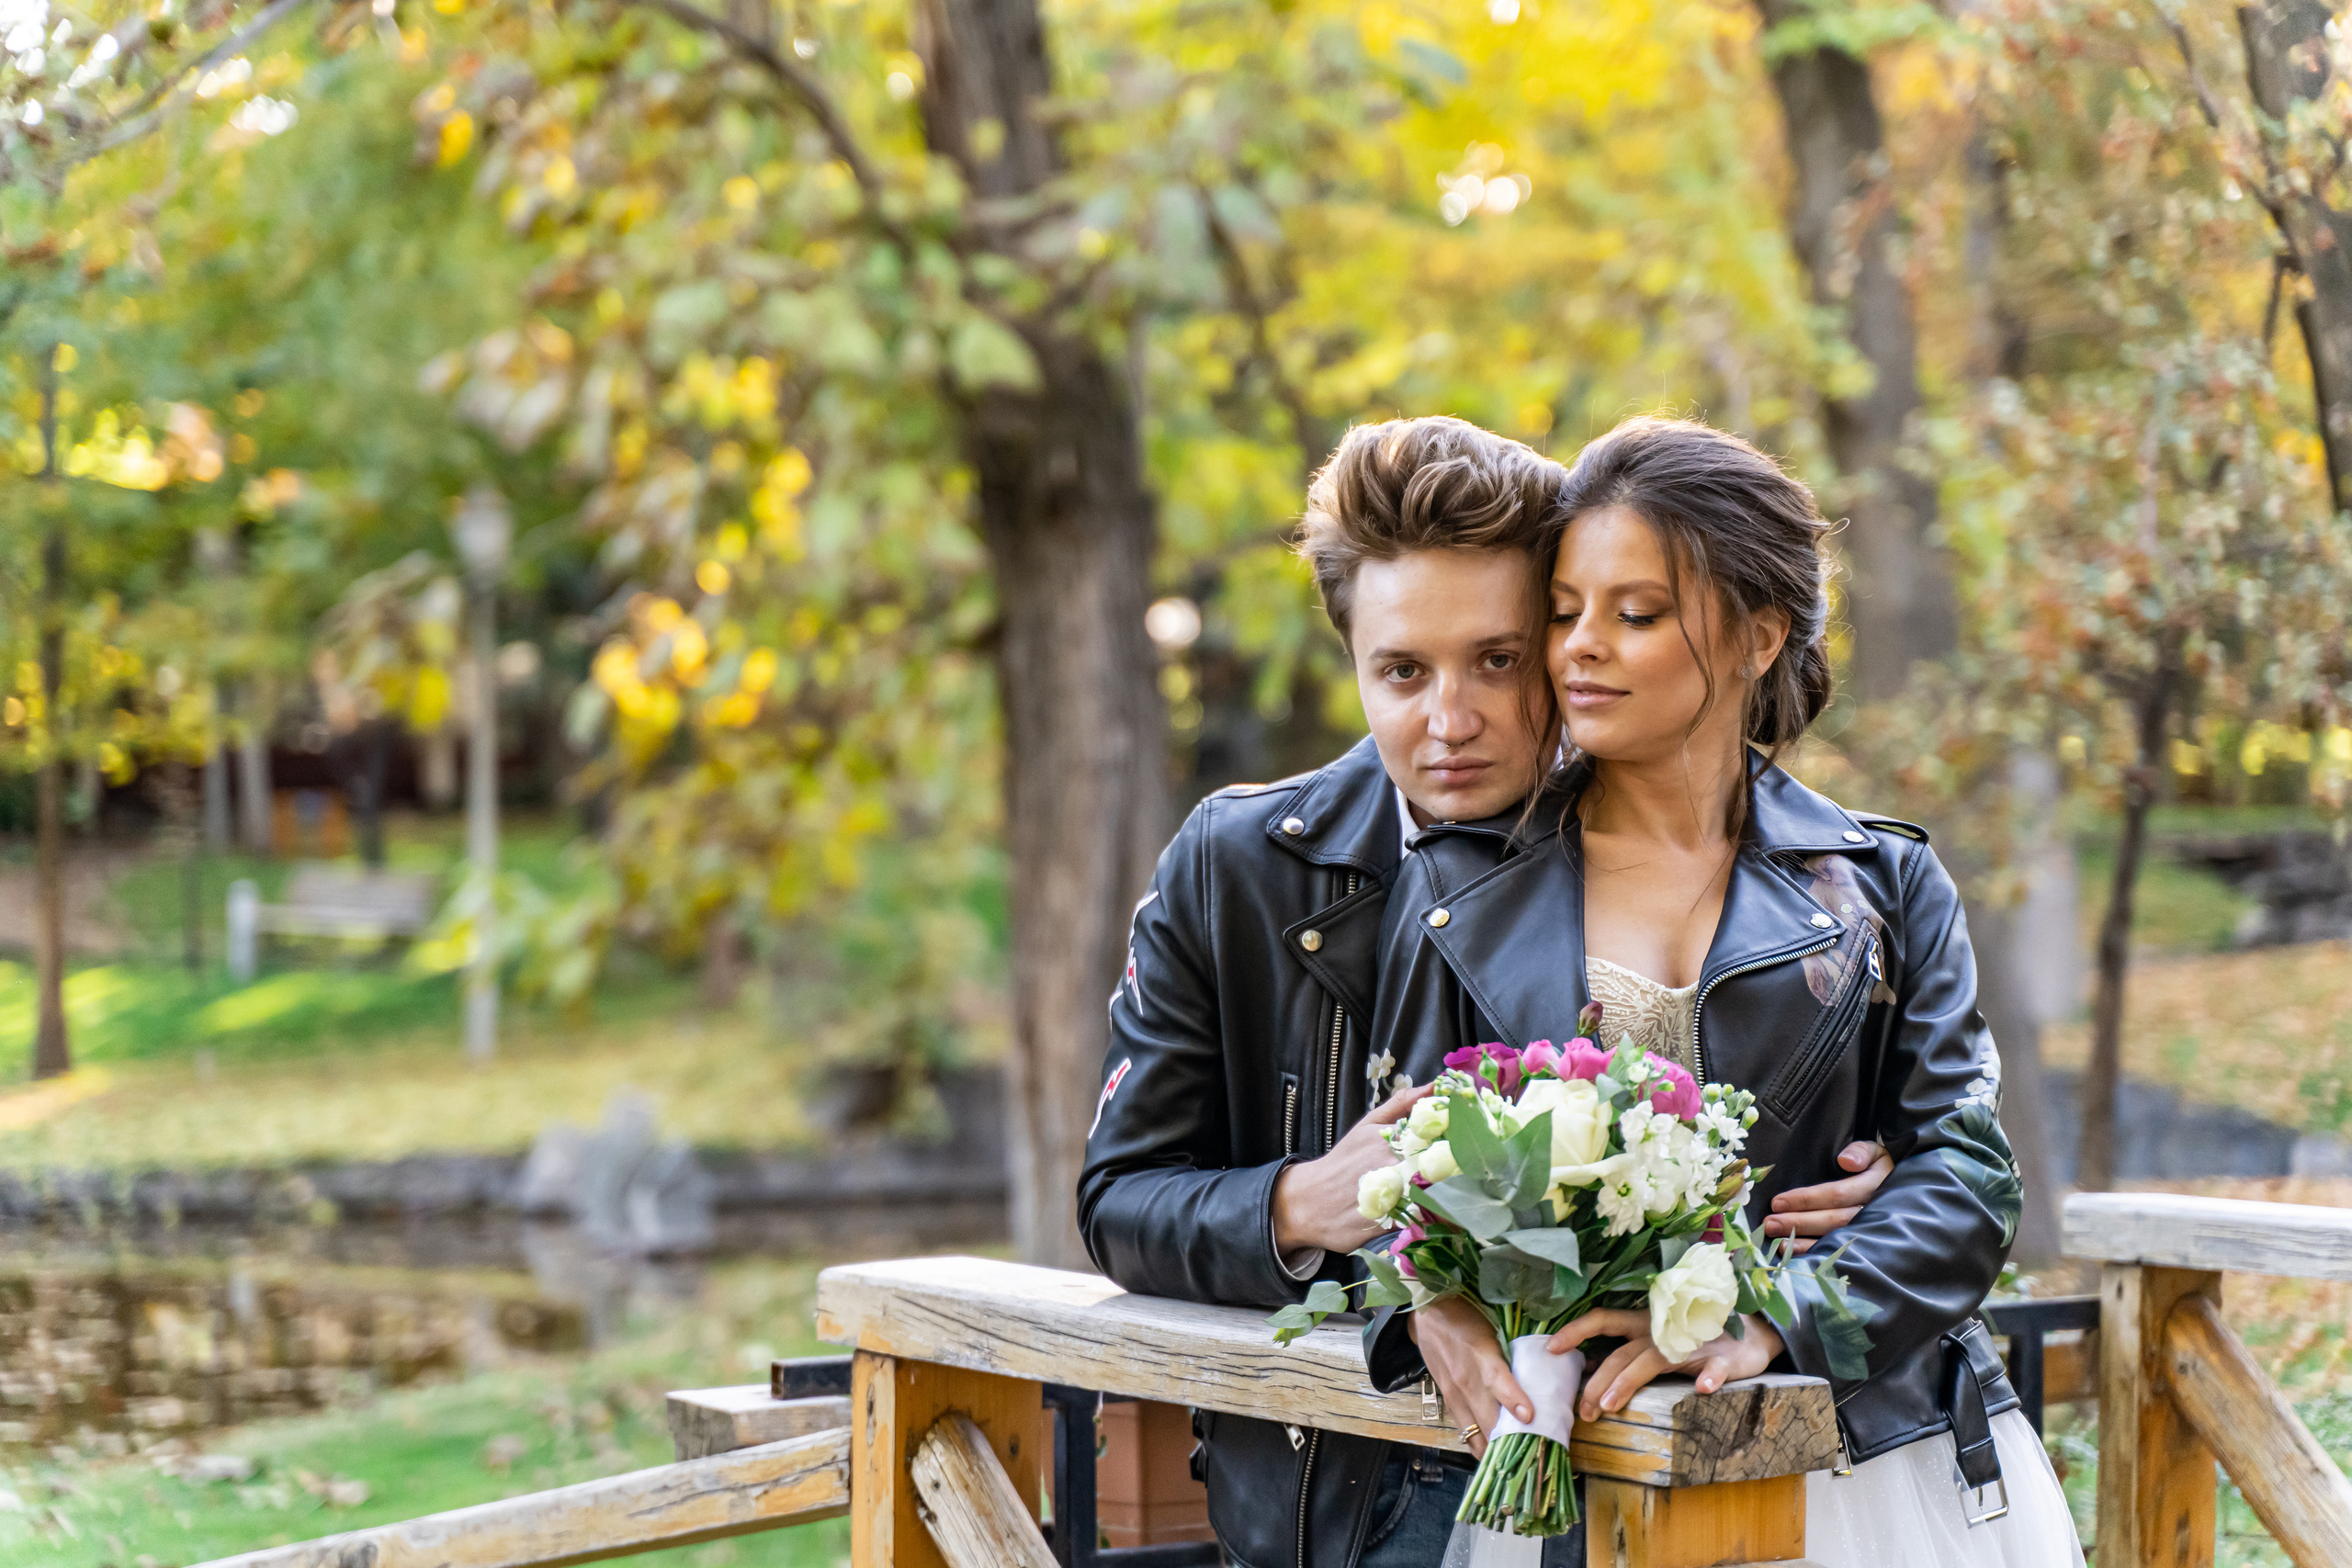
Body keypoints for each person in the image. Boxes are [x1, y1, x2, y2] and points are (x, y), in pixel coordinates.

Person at [1077, 415, 1894, 1568]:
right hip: (1340, 1502)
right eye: (1401, 671)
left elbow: (1795, 1115)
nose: (1448, 721)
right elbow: (1120, 1200)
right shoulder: (1235, 864)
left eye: (1498, 660)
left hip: (1681, 1474)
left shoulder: (1703, 848)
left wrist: (1859, 1176)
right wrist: (1311, 1208)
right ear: (1352, 661)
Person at [1373, 415, 2080, 1566]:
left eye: (1634, 614)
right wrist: (1426, 1294)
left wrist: (1772, 1312)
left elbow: (1967, 1171)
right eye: (1563, 612)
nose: (1578, 648)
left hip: (1856, 1451)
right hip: (1587, 1463)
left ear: (1756, 636)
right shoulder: (1461, 886)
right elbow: (1397, 1170)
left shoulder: (1886, 885)